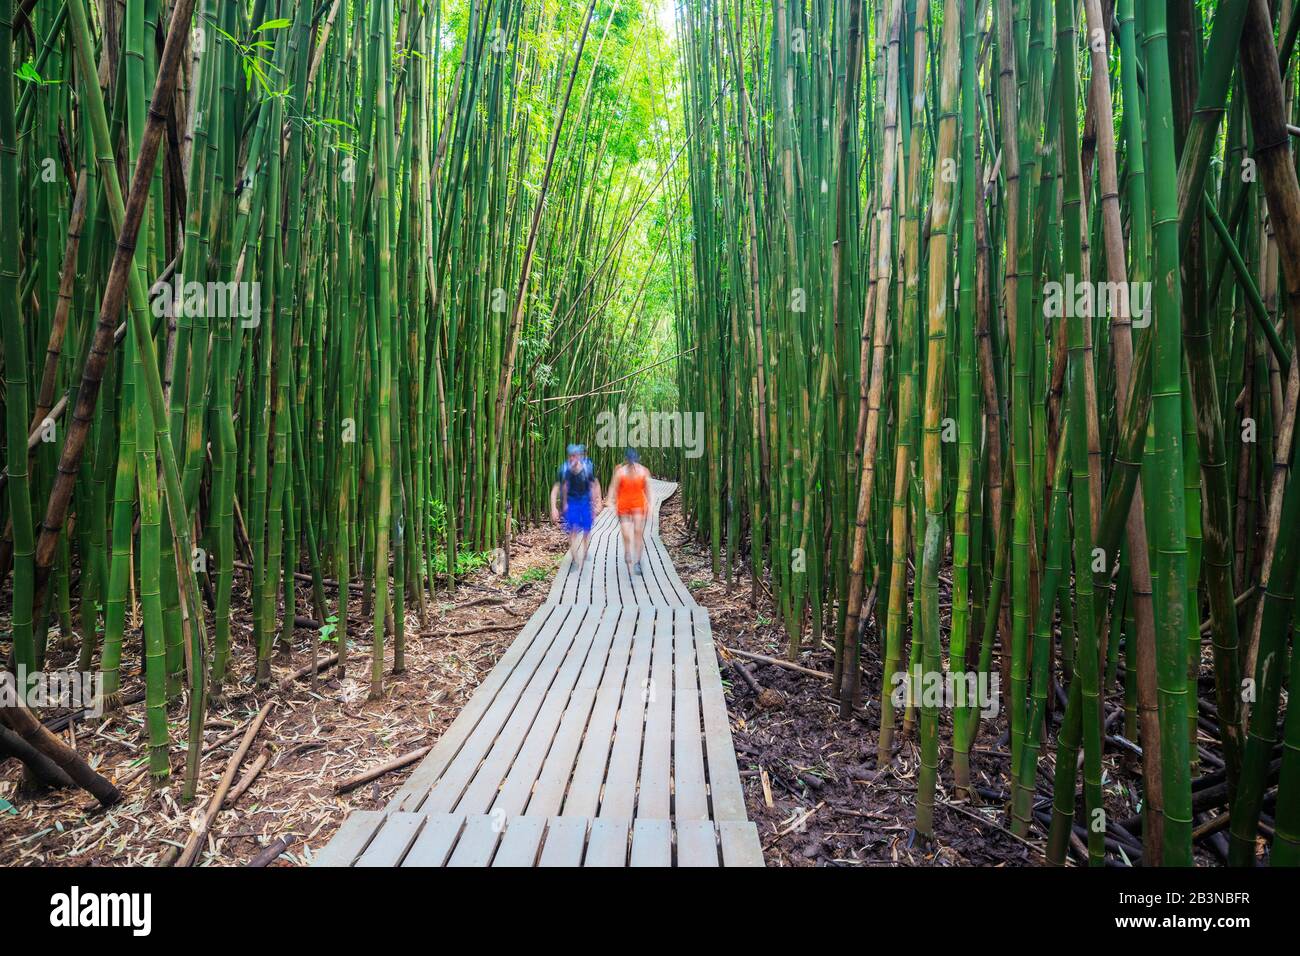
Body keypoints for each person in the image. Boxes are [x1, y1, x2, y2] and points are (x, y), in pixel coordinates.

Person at [550, 444, 602, 572]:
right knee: (573, 530)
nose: (573, 458)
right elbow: (556, 488)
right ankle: (574, 559)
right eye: (571, 456)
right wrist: (554, 508)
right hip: (572, 503)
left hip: (585, 502)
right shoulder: (564, 470)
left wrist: (597, 502)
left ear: (580, 456)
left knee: (586, 530)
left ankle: (585, 551)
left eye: (575, 455)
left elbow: (594, 484)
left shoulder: (587, 468)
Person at [606, 447, 652, 576]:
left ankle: (637, 561)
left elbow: (648, 490)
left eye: (634, 461)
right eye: (630, 461)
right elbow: (613, 487)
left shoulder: (643, 471)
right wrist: (610, 501)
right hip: (624, 505)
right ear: (627, 460)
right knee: (626, 533)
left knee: (638, 531)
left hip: (638, 504)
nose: (632, 464)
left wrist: (651, 505)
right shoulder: (620, 472)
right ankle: (627, 551)